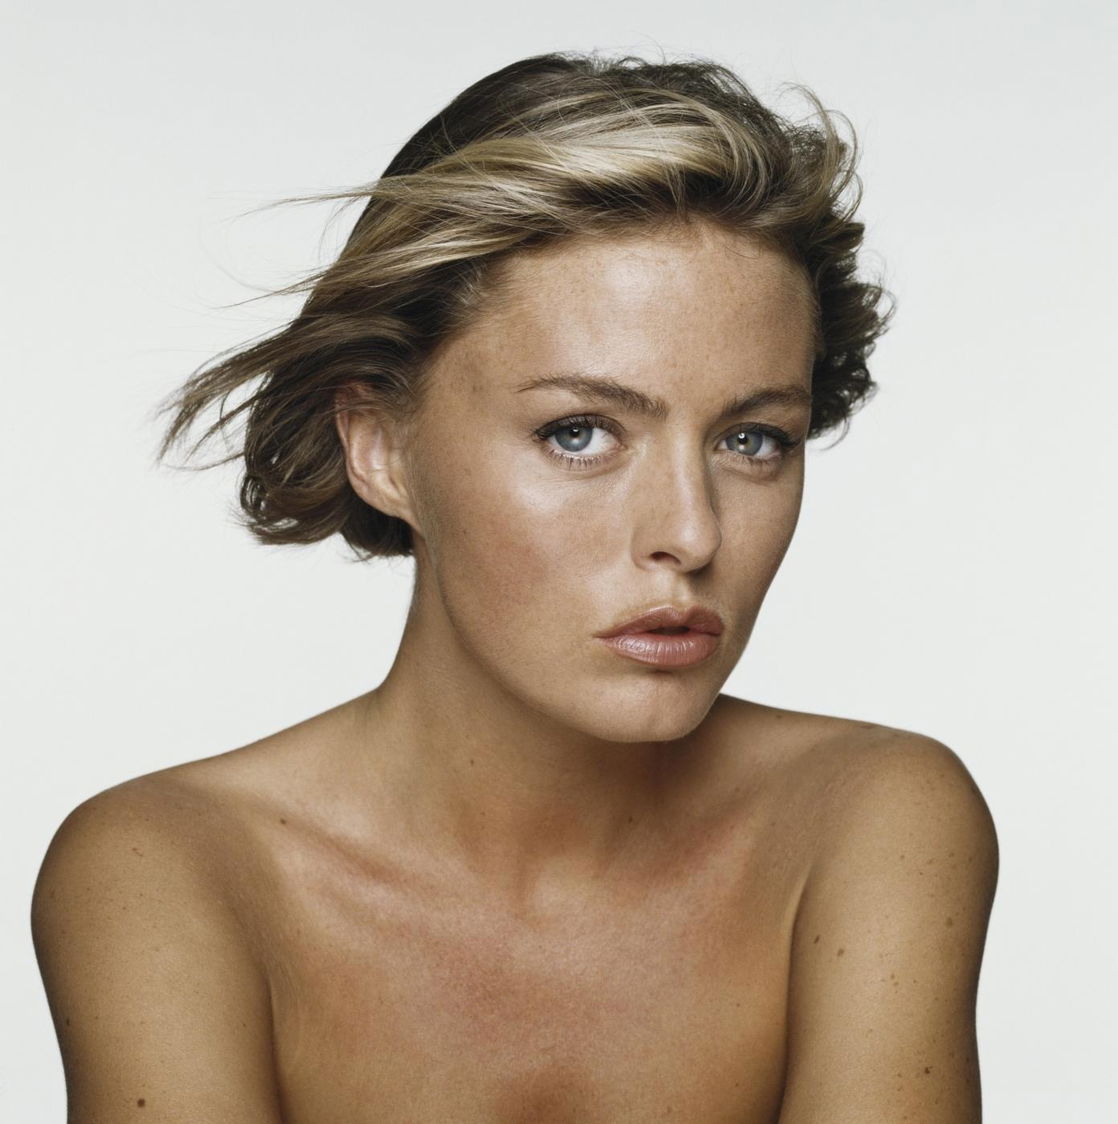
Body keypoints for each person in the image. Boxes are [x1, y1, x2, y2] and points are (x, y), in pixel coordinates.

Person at [31, 51, 998, 1122]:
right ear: (381, 448)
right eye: (578, 433)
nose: (690, 532)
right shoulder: (174, 870)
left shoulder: (864, 819)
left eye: (752, 439)